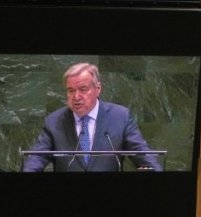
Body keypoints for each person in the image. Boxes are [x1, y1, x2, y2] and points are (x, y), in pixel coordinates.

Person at [22, 63, 162, 172]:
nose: (76, 97)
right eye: (71, 91)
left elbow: (143, 154)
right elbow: (35, 158)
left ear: (98, 89)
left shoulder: (120, 117)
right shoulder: (54, 121)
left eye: (83, 89)